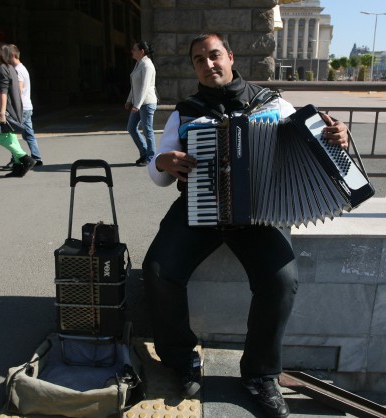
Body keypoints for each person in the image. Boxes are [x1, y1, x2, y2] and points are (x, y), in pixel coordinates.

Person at [142, 33, 349, 418]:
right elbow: (160, 174)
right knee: (157, 270)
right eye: (199, 59)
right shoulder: (184, 112)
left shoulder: (273, 103)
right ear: (194, 67)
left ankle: (259, 374)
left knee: (282, 281)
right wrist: (162, 163)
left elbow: (316, 144)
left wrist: (337, 137)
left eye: (214, 55)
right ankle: (181, 358)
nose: (208, 63)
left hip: (260, 214)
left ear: (231, 57)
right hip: (199, 209)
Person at [0, 42, 36, 177]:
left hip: (8, 109)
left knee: (1, 138)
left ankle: (26, 159)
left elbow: (4, 92)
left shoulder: (2, 69)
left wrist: (2, 112)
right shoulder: (11, 68)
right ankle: (17, 167)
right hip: (14, 107)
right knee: (12, 138)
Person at [125, 40, 158, 167]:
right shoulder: (138, 64)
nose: (132, 51)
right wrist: (129, 100)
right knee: (131, 128)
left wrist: (136, 105)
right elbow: (135, 87)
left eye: (134, 49)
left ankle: (151, 156)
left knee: (147, 130)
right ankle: (144, 153)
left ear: (141, 51)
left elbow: (144, 87)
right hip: (138, 103)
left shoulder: (147, 65)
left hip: (147, 103)